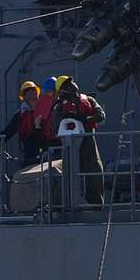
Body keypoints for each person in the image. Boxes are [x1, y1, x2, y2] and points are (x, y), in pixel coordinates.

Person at [49, 74, 107, 206]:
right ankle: (72, 203)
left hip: (88, 140)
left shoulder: (89, 100)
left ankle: (96, 205)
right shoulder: (59, 106)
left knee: (95, 171)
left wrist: (85, 119)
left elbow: (100, 115)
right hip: (69, 145)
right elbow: (54, 126)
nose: (72, 86)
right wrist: (67, 118)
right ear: (62, 91)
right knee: (71, 173)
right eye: (66, 85)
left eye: (71, 83)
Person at [3, 79, 44, 166]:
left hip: (44, 148)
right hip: (29, 150)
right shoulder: (20, 115)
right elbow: (8, 131)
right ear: (24, 96)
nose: (31, 92)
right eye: (27, 91)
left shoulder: (44, 109)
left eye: (33, 90)